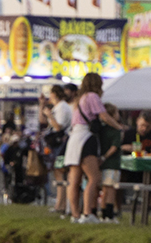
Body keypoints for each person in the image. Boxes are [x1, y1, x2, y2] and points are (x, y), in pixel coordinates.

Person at [66, 72, 124, 223]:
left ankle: (75, 214)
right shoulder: (92, 96)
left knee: (75, 179)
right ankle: (87, 213)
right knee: (94, 177)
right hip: (85, 138)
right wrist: (119, 127)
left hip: (74, 137)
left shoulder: (79, 99)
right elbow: (104, 116)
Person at [41, 84, 73, 214]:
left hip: (59, 143)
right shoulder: (59, 107)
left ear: (54, 94)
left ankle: (61, 204)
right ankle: (60, 204)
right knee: (58, 174)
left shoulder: (62, 107)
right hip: (57, 143)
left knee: (60, 174)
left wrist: (50, 115)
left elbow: (58, 127)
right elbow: (43, 122)